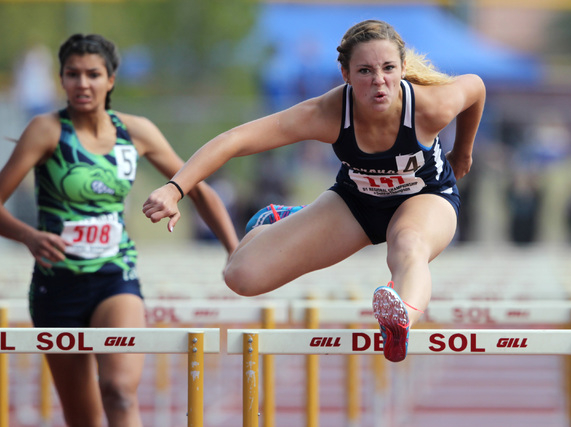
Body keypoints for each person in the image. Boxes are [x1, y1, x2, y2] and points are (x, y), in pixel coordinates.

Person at [143, 20, 485, 362]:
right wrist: (175, 188)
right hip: (357, 203)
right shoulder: (328, 113)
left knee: (408, 245)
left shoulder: (430, 106)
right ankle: (290, 220)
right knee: (241, 277)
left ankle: (399, 321)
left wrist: (462, 153)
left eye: (388, 68)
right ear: (345, 74)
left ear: (403, 68)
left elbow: (476, 88)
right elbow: (234, 140)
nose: (379, 81)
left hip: (425, 198)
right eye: (365, 71)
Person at [0, 34, 239, 427]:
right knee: (83, 418)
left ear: (110, 80)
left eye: (93, 74)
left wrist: (235, 253)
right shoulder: (46, 131)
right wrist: (28, 235)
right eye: (73, 74)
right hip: (56, 286)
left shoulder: (136, 132)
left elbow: (200, 189)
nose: (83, 83)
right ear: (61, 79)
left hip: (115, 278)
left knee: (120, 391)